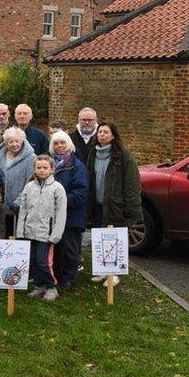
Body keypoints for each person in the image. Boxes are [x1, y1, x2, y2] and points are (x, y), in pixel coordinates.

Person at [87, 122, 141, 286]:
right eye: (100, 132)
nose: (102, 134)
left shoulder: (122, 155)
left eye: (105, 132)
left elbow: (132, 183)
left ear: (113, 135)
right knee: (100, 239)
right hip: (98, 205)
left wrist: (130, 208)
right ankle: (103, 272)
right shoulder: (93, 153)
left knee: (115, 240)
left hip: (115, 206)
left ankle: (114, 274)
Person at [16, 155, 68, 301]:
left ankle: (51, 287)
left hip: (47, 233)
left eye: (45, 167)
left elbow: (61, 213)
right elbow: (23, 209)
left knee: (43, 261)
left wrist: (56, 234)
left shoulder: (57, 188)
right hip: (29, 231)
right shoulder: (29, 187)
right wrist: (20, 230)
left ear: (52, 169)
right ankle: (39, 285)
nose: (42, 170)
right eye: (38, 167)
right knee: (32, 261)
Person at [50, 131, 89, 289]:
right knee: (57, 247)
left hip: (71, 214)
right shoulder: (50, 164)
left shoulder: (76, 165)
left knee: (70, 248)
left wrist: (61, 201)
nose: (59, 146)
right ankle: (57, 276)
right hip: (53, 215)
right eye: (56, 143)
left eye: (62, 143)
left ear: (68, 144)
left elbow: (81, 191)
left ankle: (69, 278)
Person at [0, 126, 37, 235]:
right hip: (0, 206)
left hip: (19, 208)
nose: (14, 144)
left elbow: (31, 182)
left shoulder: (31, 158)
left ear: (22, 140)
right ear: (6, 143)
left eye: (17, 141)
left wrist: (18, 202)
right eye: (10, 141)